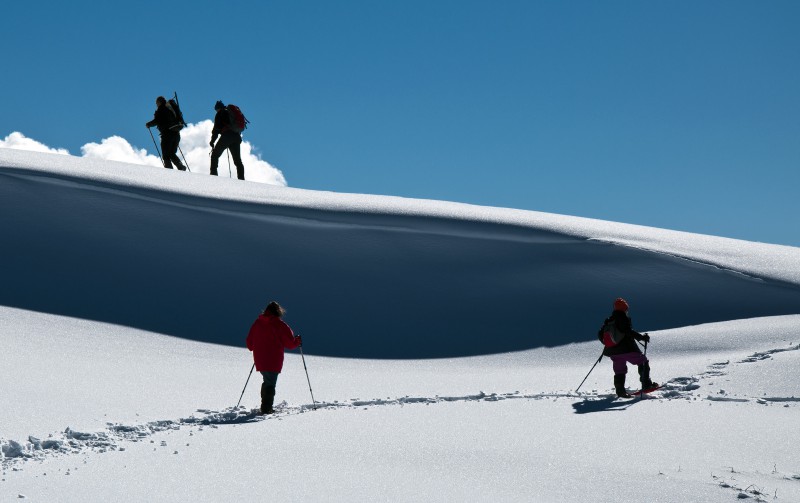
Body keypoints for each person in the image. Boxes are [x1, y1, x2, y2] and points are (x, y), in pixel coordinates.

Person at [245, 301, 302, 414]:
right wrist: (297, 341)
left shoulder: (257, 323)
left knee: (267, 381)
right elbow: (290, 344)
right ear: (278, 312)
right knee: (270, 383)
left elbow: (249, 344)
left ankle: (265, 406)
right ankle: (266, 408)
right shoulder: (279, 325)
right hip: (274, 360)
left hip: (260, 360)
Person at [598, 298, 658, 398]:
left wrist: (609, 343)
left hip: (613, 351)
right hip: (627, 348)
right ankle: (646, 384)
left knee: (619, 370)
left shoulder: (609, 320)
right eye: (626, 309)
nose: (627, 311)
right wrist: (642, 337)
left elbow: (600, 334)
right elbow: (627, 331)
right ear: (624, 308)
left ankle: (620, 391)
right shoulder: (622, 318)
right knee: (643, 361)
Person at [145, 96, 186, 170]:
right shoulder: (170, 108)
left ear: (159, 102)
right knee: (171, 153)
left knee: (165, 155)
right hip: (176, 133)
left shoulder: (161, 109)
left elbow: (157, 120)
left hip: (167, 135)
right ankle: (180, 166)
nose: (156, 104)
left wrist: (148, 124)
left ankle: (168, 171)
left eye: (156, 103)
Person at [209, 100, 245, 180]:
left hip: (227, 136)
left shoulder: (220, 113)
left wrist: (212, 141)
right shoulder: (230, 113)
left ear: (218, 108)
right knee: (237, 161)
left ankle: (213, 175)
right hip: (236, 137)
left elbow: (216, 130)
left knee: (215, 155)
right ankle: (241, 179)